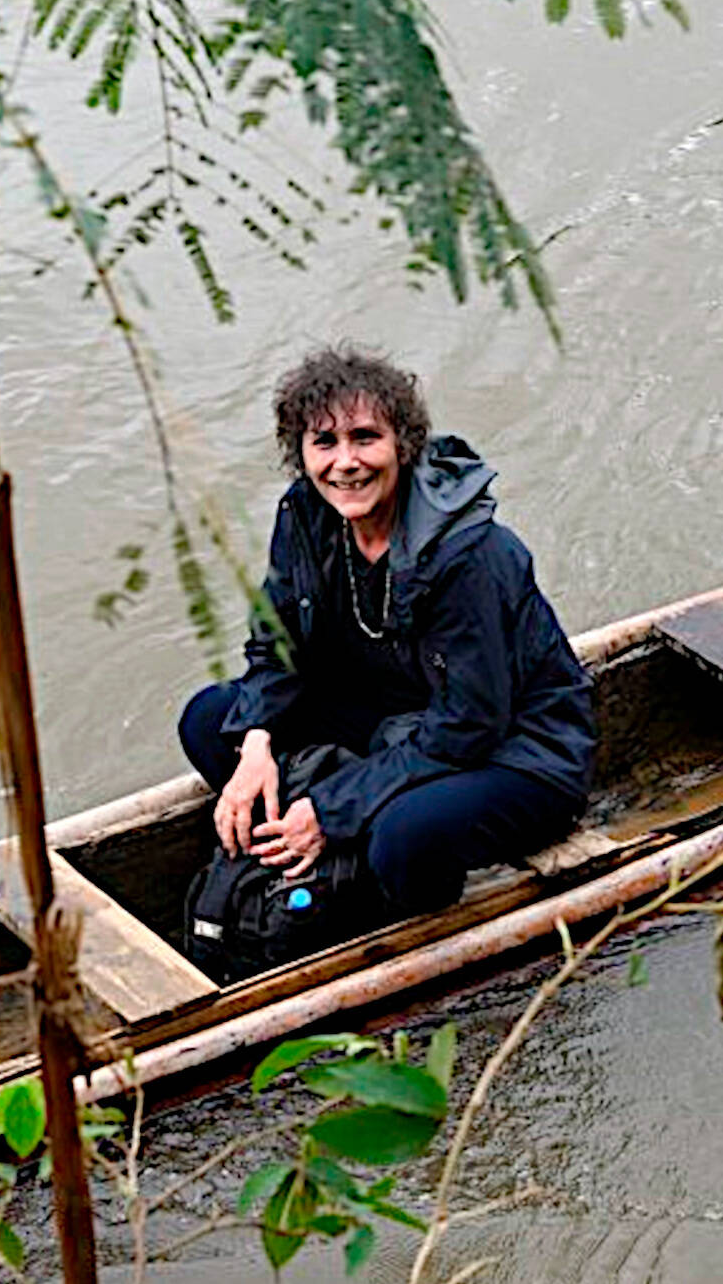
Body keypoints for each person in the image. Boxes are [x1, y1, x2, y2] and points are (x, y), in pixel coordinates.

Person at [177, 347, 595, 917]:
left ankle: (386, 900)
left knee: (403, 838)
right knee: (211, 720)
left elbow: (470, 725)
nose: (345, 463)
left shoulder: (469, 555)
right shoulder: (305, 514)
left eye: (365, 438)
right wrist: (256, 743)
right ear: (301, 454)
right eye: (324, 443)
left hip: (514, 749)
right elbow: (275, 644)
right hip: (392, 717)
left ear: (403, 443)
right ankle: (319, 857)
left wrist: (332, 807)